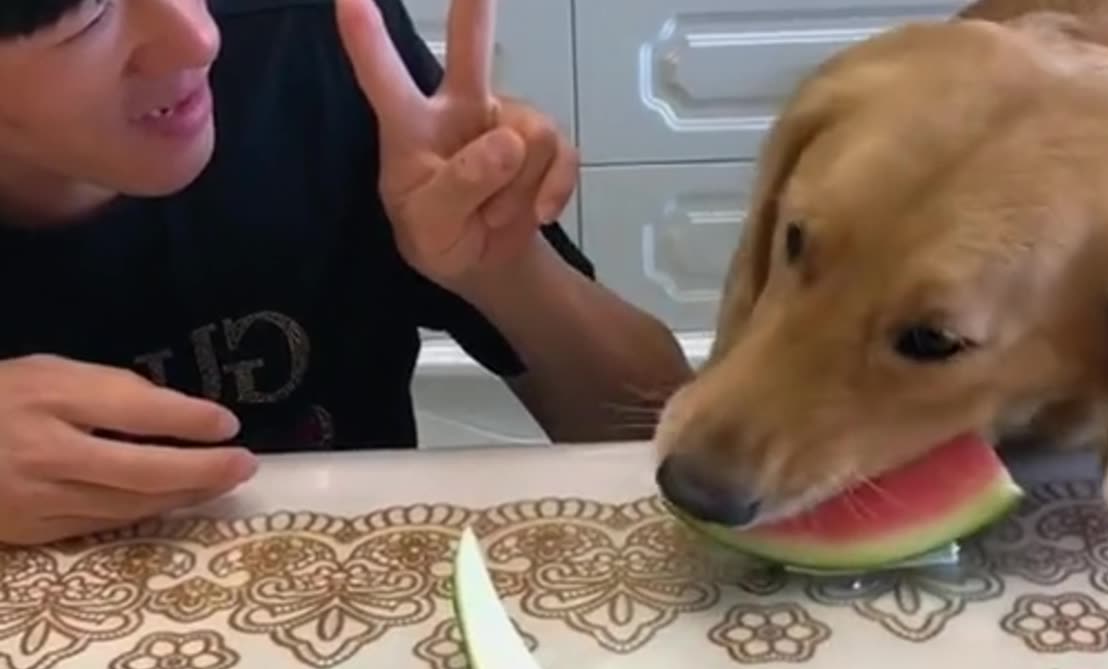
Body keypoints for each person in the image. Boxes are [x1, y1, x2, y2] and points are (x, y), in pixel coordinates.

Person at [0, 0, 693, 545]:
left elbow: (659, 442)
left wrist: (509, 271)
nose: (197, 39)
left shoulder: (314, 41)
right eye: (86, 11)